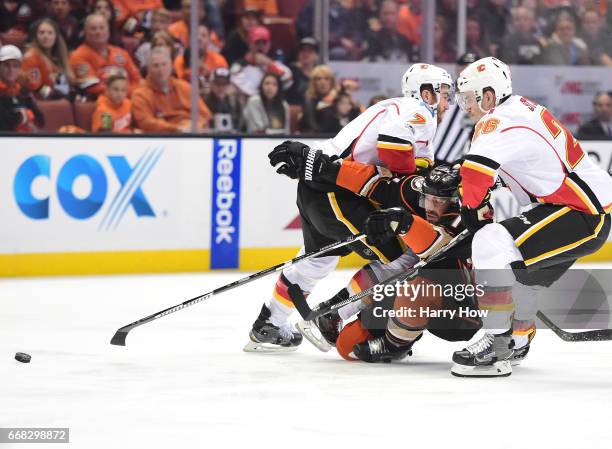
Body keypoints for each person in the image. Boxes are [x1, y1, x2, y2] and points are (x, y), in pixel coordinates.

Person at [243, 64, 453, 352]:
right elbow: (394, 148)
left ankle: (268, 325)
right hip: (337, 190)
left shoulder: (399, 108)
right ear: (426, 92)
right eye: (443, 93)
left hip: (321, 186)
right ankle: (331, 316)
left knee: (316, 260)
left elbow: (414, 164)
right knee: (402, 257)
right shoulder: (419, 110)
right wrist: (403, 185)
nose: (448, 101)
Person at [446, 56, 612, 377]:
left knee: (490, 241)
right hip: (585, 212)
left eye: (469, 98)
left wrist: (470, 209)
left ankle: (496, 344)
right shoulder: (519, 109)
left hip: (578, 212)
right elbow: (507, 167)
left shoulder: (495, 121)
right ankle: (517, 340)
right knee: (523, 275)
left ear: (489, 96)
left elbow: (477, 172)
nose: (465, 106)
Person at [132, 46, 211, 132]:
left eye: (164, 64)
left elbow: (205, 114)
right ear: (149, 69)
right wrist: (176, 129)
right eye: (156, 65)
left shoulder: (185, 87)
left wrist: (195, 125)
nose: (160, 69)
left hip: (190, 134)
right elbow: (145, 123)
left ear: (171, 65)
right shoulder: (140, 94)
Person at [69, 14, 141, 99]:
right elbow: (92, 87)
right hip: (100, 102)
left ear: (108, 30)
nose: (98, 32)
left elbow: (137, 79)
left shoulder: (121, 53)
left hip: (128, 100)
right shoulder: (78, 56)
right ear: (85, 32)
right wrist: (121, 93)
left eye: (102, 28)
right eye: (93, 29)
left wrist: (130, 93)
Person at [432, 52, 479, 164]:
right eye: (463, 68)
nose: (466, 72)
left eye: (470, 69)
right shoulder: (445, 90)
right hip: (433, 153)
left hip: (457, 160)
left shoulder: (482, 98)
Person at [229, 25, 292, 98]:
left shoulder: (274, 64)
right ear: (250, 44)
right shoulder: (239, 66)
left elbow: (288, 81)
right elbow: (243, 89)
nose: (260, 46)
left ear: (269, 45)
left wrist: (269, 64)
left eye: (264, 43)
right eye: (257, 43)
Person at [22, 17, 75, 99]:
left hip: (57, 102)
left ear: (56, 37)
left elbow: (63, 86)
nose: (45, 36)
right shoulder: (31, 57)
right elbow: (35, 86)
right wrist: (55, 95)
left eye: (50, 33)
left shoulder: (58, 58)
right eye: (42, 33)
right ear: (36, 36)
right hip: (39, 102)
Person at [0, 45, 44, 132]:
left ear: (19, 69)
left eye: (15, 66)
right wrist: (23, 116)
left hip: (25, 139)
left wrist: (22, 117)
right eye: (6, 65)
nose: (11, 70)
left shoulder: (23, 91)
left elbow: (41, 120)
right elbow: (2, 122)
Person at [299, 64, 338, 133]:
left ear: (332, 82)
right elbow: (313, 127)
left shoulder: (339, 99)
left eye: (326, 79)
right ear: (313, 83)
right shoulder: (309, 101)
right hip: (317, 138)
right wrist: (327, 100)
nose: (323, 82)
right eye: (318, 79)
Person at [203, 67, 242, 132]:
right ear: (211, 84)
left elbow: (239, 123)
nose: (221, 87)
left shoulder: (235, 102)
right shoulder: (204, 101)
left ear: (229, 85)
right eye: (217, 83)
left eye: (224, 84)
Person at [286, 37, 319, 106]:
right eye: (303, 50)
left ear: (316, 56)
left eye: (310, 51)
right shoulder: (290, 72)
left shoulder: (320, 75)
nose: (305, 54)